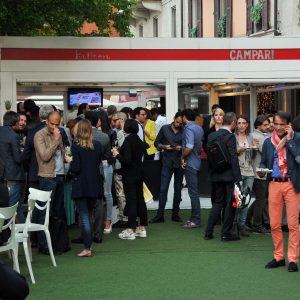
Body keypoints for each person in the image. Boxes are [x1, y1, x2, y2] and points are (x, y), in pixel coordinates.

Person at [260, 111, 300, 272]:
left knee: (293, 224)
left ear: (288, 125)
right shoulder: (268, 142)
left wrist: (289, 141)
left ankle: (292, 259)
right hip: (274, 184)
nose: (278, 127)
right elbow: (263, 162)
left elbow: (298, 159)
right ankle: (279, 257)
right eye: (275, 124)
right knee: (274, 224)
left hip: (291, 184)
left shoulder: (297, 138)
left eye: (282, 124)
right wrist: (261, 170)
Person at [204, 112, 242, 241]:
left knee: (217, 202)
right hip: (229, 175)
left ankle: (208, 232)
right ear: (233, 123)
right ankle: (226, 233)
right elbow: (233, 158)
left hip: (216, 173)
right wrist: (238, 178)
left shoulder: (212, 135)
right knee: (230, 203)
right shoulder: (230, 137)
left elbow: (210, 155)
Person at [34, 111, 67, 254]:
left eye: (57, 124)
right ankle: (43, 245)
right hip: (47, 177)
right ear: (46, 121)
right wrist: (55, 139)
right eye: (52, 123)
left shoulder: (58, 133)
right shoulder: (39, 135)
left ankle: (57, 243)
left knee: (58, 211)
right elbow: (45, 156)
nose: (54, 126)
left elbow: (61, 154)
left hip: (59, 175)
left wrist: (67, 156)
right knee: (45, 212)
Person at [70, 119, 103, 257]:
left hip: (81, 185)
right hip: (94, 184)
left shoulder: (76, 146)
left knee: (84, 217)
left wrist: (69, 162)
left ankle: (87, 248)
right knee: (88, 215)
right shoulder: (98, 145)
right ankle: (88, 246)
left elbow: (76, 168)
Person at [112, 119, 148, 240]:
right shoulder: (139, 140)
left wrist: (117, 154)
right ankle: (141, 228)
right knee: (140, 200)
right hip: (140, 173)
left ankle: (130, 229)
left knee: (131, 201)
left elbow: (126, 160)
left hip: (129, 175)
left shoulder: (128, 141)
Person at [149, 112, 184, 223]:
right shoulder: (164, 128)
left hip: (179, 163)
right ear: (174, 119)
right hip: (167, 162)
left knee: (178, 189)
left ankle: (175, 214)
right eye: (177, 122)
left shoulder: (185, 130)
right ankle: (160, 215)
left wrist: (181, 148)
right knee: (163, 189)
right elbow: (156, 142)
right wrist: (163, 146)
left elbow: (188, 145)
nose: (178, 124)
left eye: (181, 123)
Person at [84, 111, 111, 238]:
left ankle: (86, 233)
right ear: (98, 121)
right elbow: (107, 155)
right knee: (99, 201)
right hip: (99, 169)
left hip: (84, 172)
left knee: (85, 203)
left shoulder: (82, 136)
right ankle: (99, 233)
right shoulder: (104, 136)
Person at [0, 111, 26, 223]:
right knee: (14, 206)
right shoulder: (14, 136)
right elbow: (17, 158)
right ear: (15, 122)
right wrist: (23, 151)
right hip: (14, 175)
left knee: (7, 206)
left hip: (2, 174)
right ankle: (13, 235)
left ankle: (19, 235)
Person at [247, 115, 271, 233]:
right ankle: (257, 225)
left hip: (260, 172)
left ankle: (248, 221)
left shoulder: (261, 135)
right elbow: (265, 152)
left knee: (259, 199)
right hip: (258, 172)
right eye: (265, 125)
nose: (268, 126)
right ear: (258, 125)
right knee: (260, 199)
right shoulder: (255, 136)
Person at [181, 109, 204, 228]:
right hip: (197, 161)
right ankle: (194, 218)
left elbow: (189, 147)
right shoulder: (199, 127)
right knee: (194, 192)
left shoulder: (189, 128)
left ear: (184, 117)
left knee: (193, 193)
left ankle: (195, 219)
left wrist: (182, 156)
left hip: (191, 163)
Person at [234, 115, 255, 237]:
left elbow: (253, 154)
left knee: (246, 200)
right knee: (237, 200)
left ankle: (242, 225)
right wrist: (239, 150)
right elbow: (231, 153)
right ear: (236, 125)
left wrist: (255, 146)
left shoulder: (250, 137)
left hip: (249, 172)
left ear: (247, 125)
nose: (241, 125)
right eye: (239, 123)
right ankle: (233, 224)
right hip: (238, 172)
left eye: (244, 123)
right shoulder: (233, 137)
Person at [111, 112, 128, 227]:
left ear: (121, 120)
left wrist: (115, 152)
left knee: (121, 194)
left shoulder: (121, 133)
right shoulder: (131, 132)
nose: (112, 123)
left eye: (114, 120)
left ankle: (124, 218)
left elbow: (121, 150)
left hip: (121, 167)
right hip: (128, 168)